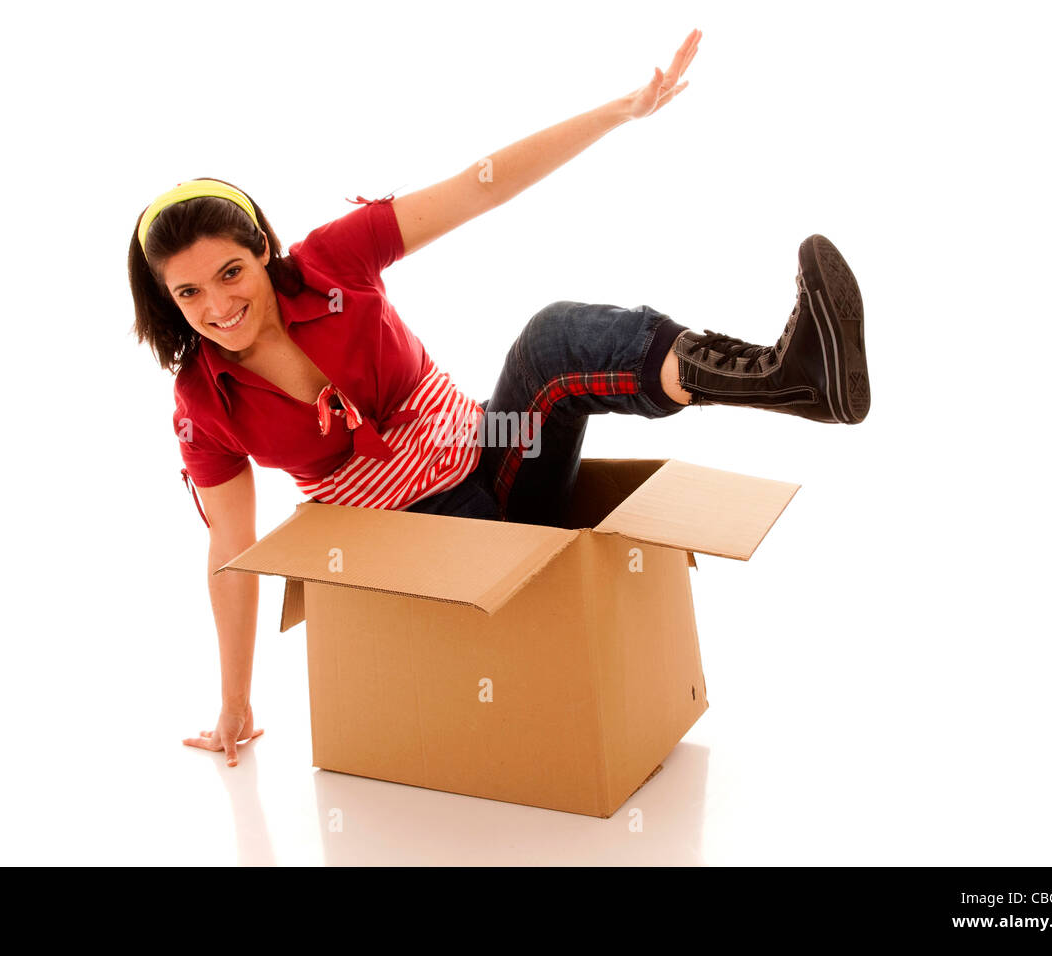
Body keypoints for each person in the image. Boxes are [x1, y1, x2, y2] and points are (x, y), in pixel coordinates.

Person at [126, 29, 870, 767]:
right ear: (167, 300)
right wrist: (235, 701)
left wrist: (621, 111)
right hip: (425, 548)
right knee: (505, 446)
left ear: (261, 248)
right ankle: (790, 381)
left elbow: (478, 186)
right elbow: (230, 547)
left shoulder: (330, 263)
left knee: (552, 339)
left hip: (499, 462)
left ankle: (788, 377)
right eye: (188, 293)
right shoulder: (203, 404)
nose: (218, 306)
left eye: (230, 273)